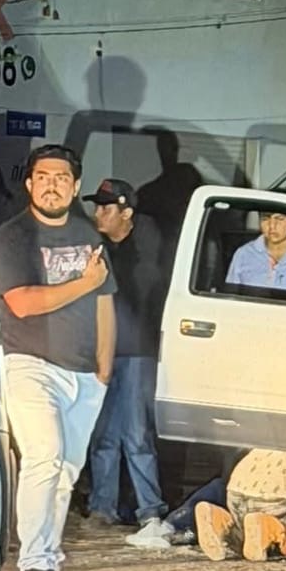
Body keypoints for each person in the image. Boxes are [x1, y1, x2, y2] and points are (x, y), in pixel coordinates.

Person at [0, 144, 115, 571]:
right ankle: (32, 569)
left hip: (83, 374)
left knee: (66, 470)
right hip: (30, 362)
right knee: (45, 454)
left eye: (61, 178)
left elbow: (105, 301)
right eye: (43, 177)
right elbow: (21, 302)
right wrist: (83, 282)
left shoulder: (87, 234)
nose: (51, 185)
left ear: (75, 186)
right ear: (29, 183)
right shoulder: (13, 236)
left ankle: (46, 565)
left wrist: (103, 369)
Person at [80, 177, 169, 530]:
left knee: (136, 433)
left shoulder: (146, 246)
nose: (98, 214)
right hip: (103, 350)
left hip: (136, 351)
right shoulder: (98, 248)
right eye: (97, 207)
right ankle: (103, 507)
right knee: (103, 433)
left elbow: (145, 291)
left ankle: (150, 510)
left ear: (126, 213)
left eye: (106, 208)